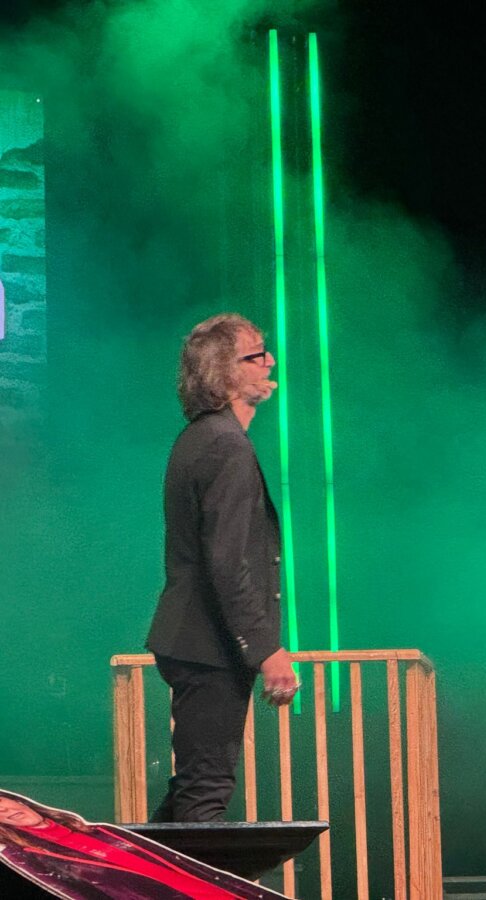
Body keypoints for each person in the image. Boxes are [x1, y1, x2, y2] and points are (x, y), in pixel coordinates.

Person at [146, 313, 299, 823]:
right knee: (204, 793)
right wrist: (266, 650)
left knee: (191, 793)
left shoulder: (202, 438)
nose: (270, 361)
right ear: (225, 372)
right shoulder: (225, 444)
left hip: (195, 641)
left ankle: (135, 868)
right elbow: (227, 562)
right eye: (257, 354)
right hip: (207, 646)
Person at [0, 790, 285, 898]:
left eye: (3, 802)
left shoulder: (99, 831)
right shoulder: (24, 857)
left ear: (19, 800)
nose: (4, 810)